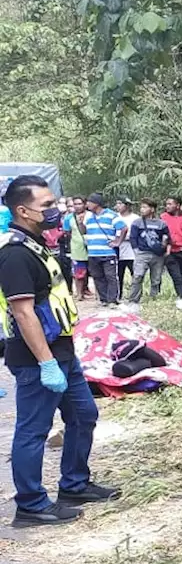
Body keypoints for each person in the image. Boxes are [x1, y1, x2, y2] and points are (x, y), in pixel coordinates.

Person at [0, 176, 119, 527]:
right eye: (47, 205)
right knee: (33, 430)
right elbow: (23, 312)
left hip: (63, 352)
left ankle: (74, 484)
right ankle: (31, 504)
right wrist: (46, 363)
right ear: (22, 210)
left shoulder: (38, 244)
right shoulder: (14, 254)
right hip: (39, 358)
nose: (56, 210)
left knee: (84, 415)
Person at [82, 193, 124, 306]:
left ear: (96, 203)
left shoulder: (111, 215)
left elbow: (123, 228)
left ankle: (112, 300)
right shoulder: (88, 216)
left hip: (108, 252)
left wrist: (117, 241)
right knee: (97, 276)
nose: (87, 204)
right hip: (93, 252)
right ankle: (104, 299)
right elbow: (84, 229)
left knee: (110, 276)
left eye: (89, 202)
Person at [128, 199, 170, 304]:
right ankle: (133, 299)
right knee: (138, 276)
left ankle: (154, 298)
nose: (142, 210)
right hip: (142, 253)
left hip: (158, 254)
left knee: (156, 279)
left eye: (145, 207)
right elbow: (133, 238)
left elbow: (167, 237)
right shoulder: (137, 223)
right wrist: (136, 251)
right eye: (141, 207)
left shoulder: (161, 223)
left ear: (152, 209)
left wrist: (166, 249)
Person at [63, 196, 89, 301]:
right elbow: (67, 232)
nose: (77, 206)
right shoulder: (69, 218)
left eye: (80, 204)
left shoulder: (90, 216)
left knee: (96, 273)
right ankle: (79, 294)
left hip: (92, 248)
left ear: (85, 204)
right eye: (75, 204)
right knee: (78, 273)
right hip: (77, 249)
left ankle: (98, 294)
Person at [114, 199, 138, 292]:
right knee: (118, 274)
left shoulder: (135, 218)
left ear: (127, 205)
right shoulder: (115, 217)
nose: (118, 206)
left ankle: (135, 293)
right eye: (117, 204)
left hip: (131, 249)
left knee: (134, 273)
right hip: (118, 249)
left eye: (120, 203)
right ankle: (118, 294)